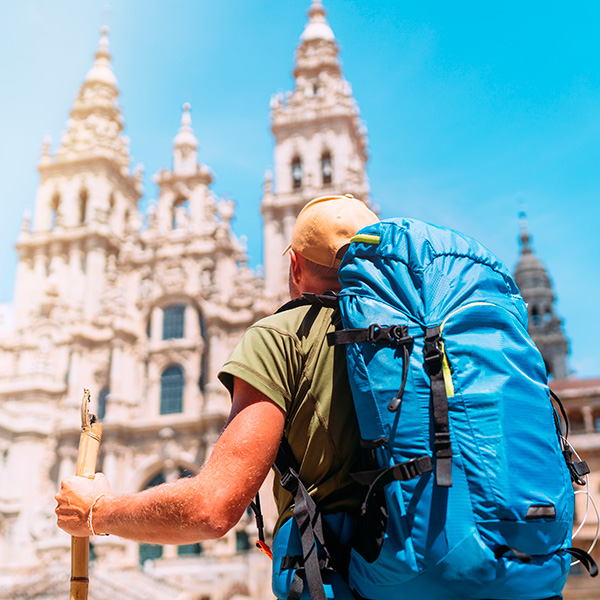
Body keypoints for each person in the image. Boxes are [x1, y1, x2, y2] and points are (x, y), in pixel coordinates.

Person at [56, 194, 379, 599]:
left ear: (294, 266)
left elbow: (211, 508)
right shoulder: (415, 340)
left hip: (340, 578)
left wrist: (95, 510)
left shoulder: (282, 336)